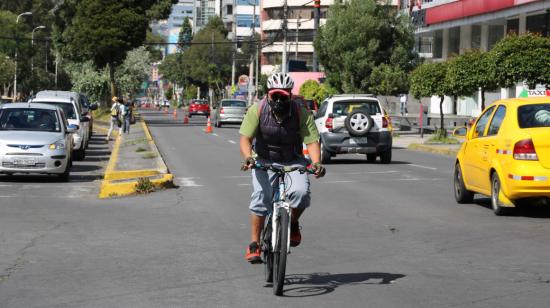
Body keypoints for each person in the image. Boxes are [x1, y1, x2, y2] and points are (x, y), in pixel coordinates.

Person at [239, 73, 326, 264]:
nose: (278, 100)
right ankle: (254, 243)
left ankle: (293, 223)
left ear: (290, 96)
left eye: (283, 96)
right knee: (260, 197)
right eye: (274, 96)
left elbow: (312, 141)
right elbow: (245, 138)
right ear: (268, 95)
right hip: (263, 160)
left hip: (292, 160)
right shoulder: (258, 110)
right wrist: (248, 157)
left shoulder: (301, 112)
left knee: (301, 193)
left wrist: (317, 162)